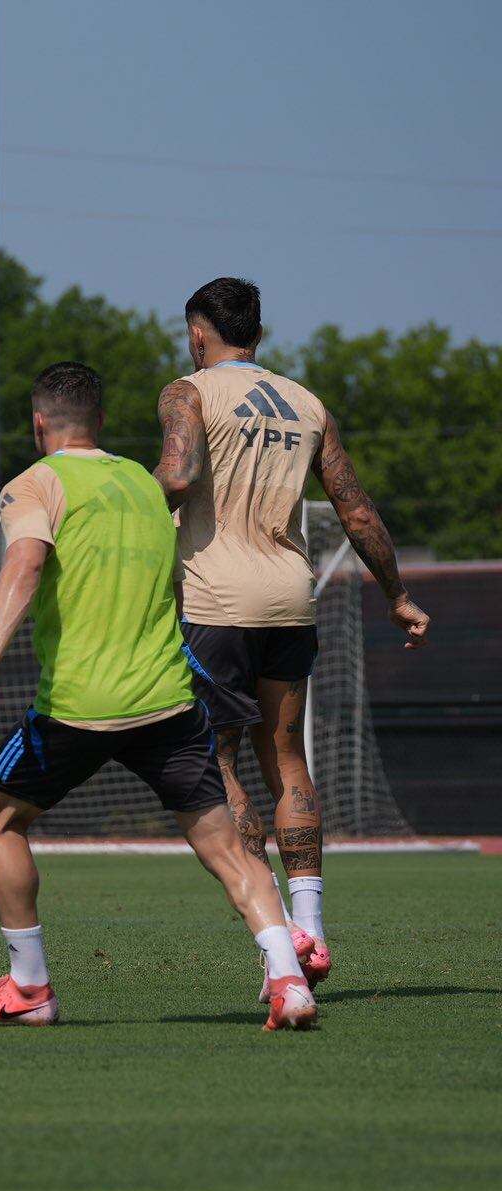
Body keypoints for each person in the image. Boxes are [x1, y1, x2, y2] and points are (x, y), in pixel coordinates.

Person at [0, 362, 317, 1031]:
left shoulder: (34, 483)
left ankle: (29, 987)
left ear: (40, 424)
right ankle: (289, 980)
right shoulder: (147, 488)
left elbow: (25, 563)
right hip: (169, 703)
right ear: (103, 423)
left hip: (78, 706)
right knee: (227, 852)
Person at [156, 277, 430, 996]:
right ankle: (312, 923)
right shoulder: (306, 403)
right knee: (285, 757)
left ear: (197, 332)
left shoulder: (188, 392)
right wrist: (398, 595)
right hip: (289, 597)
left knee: (215, 760)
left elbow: (178, 478)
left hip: (216, 602)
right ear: (258, 334)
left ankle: (273, 927)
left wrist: (119, 505)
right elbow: (356, 509)